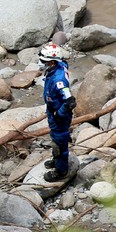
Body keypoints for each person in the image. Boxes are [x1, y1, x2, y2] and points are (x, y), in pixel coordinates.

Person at [39, 43, 75, 182]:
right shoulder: (59, 66)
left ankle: (61, 171)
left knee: (60, 143)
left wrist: (58, 114)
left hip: (59, 116)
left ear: (52, 62)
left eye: (44, 62)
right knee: (55, 139)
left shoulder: (59, 80)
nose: (41, 64)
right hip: (53, 111)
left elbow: (70, 101)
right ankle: (56, 159)